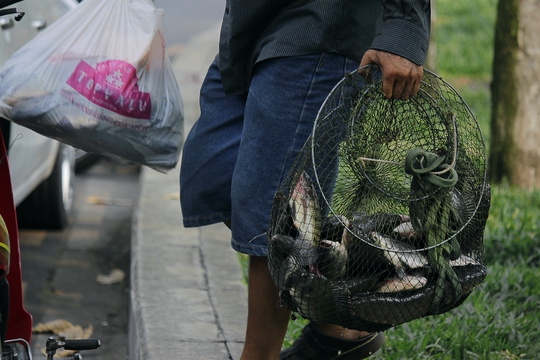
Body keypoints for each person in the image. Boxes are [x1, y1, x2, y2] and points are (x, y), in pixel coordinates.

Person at [179, 0, 431, 358]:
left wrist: (404, 29)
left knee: (274, 214)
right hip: (253, 27)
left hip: (321, 26)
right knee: (211, 175)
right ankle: (342, 324)